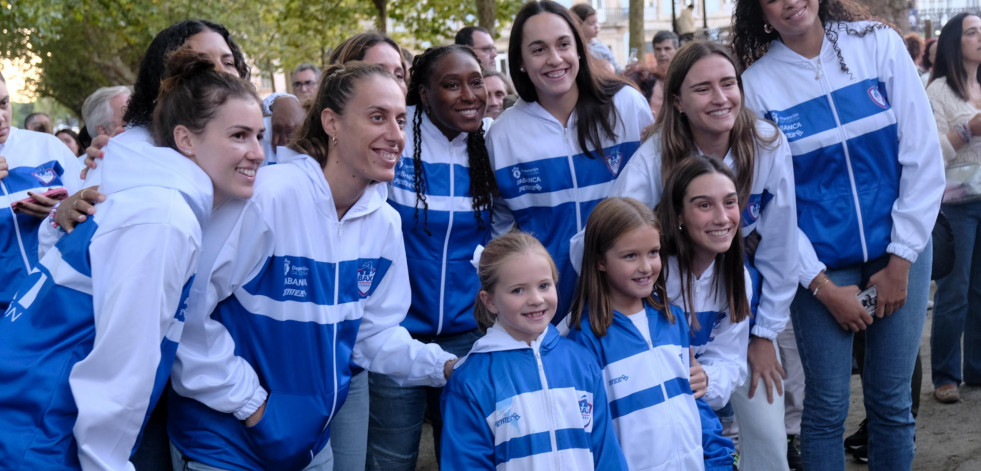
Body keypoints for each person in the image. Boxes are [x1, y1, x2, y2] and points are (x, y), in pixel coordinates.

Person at [167, 61, 457, 471]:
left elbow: (371, 337)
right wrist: (253, 405)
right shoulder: (268, 197)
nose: (395, 135)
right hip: (225, 444)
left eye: (399, 119)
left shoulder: (385, 222)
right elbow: (186, 316)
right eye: (377, 117)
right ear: (331, 123)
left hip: (308, 448)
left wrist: (444, 366)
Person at [0, 48, 265, 470]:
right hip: (36, 432)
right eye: (238, 135)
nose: (258, 153)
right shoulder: (163, 219)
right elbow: (117, 378)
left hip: (31, 416)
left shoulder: (152, 196)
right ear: (185, 139)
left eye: (259, 135)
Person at [732, 0, 944, 468]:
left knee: (891, 401)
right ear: (759, 13)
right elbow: (769, 207)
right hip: (818, 268)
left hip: (898, 251)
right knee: (826, 407)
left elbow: (923, 157)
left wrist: (902, 259)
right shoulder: (757, 86)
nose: (790, 2)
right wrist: (822, 287)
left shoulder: (877, 44)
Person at [610, 40, 799, 470]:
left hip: (733, 291)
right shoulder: (653, 159)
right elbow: (604, 238)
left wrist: (765, 333)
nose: (720, 98)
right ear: (676, 100)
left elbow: (782, 243)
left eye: (728, 84)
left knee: (769, 431)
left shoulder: (766, 143)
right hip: (658, 302)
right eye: (702, 89)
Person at [367, 44, 495, 471]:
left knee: (464, 456)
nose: (468, 95)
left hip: (467, 335)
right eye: (451, 85)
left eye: (476, 82)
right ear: (422, 93)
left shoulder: (492, 141)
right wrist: (281, 103)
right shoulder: (395, 137)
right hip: (395, 333)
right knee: (392, 458)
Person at [487, 0, 654, 320]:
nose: (554, 59)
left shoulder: (626, 105)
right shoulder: (504, 134)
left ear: (579, 48)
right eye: (538, 49)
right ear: (520, 61)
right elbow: (501, 231)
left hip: (627, 303)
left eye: (563, 44)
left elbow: (656, 198)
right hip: (549, 310)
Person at [440, 231, 628, 470]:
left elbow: (606, 452)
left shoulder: (581, 361)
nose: (536, 299)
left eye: (544, 285)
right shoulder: (471, 381)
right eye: (518, 290)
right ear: (490, 301)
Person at [566, 196, 711, 470]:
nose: (646, 266)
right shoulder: (585, 339)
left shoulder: (673, 319)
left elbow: (695, 399)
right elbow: (594, 434)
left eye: (653, 252)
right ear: (600, 262)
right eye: (631, 255)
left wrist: (716, 460)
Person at [925, 12, 981, 404]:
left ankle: (976, 368)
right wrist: (969, 130)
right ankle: (946, 374)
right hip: (956, 204)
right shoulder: (939, 92)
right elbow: (931, 153)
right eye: (972, 32)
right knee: (954, 291)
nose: (980, 38)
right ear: (953, 42)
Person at [0, 72, 82, 311]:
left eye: (4, 103)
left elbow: (94, 211)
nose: (1, 117)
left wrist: (62, 210)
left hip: (54, 301)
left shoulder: (47, 146)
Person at [571, 3, 621, 73]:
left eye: (597, 22)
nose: (597, 26)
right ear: (577, 25)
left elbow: (617, 70)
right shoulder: (573, 49)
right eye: (592, 23)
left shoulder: (602, 48)